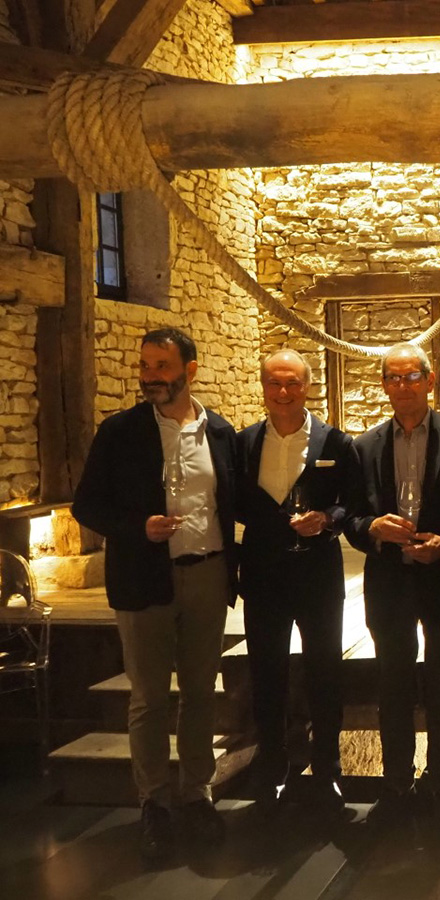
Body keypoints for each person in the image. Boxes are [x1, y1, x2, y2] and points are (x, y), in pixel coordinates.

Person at [73, 327, 238, 861]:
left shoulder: (220, 431)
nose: (150, 377)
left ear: (189, 370)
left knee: (199, 692)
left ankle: (197, 794)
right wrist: (136, 527)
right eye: (145, 367)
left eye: (161, 367)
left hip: (208, 574)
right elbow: (87, 507)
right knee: (148, 698)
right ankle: (154, 802)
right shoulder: (119, 432)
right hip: (145, 578)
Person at [344, 343, 440, 829]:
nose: (403, 386)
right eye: (394, 378)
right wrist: (373, 529)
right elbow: (352, 516)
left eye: (412, 377)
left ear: (430, 380)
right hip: (390, 581)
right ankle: (396, 783)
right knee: (392, 685)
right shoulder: (365, 446)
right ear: (384, 385)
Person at [235, 349, 361, 816]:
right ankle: (273, 764)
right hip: (264, 577)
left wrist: (328, 518)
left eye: (292, 384)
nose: (283, 393)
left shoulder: (335, 444)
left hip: (317, 576)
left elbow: (354, 502)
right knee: (267, 673)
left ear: (307, 386)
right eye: (274, 384)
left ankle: (327, 768)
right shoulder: (245, 443)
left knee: (325, 671)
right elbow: (235, 503)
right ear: (263, 387)